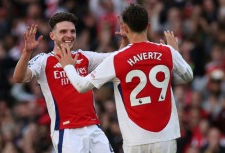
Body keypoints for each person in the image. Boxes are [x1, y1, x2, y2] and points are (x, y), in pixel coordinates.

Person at [55, 4, 193, 153]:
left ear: (125, 28)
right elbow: (188, 76)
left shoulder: (117, 58)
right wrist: (175, 52)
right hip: (166, 136)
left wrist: (68, 66)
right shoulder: (167, 51)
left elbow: (82, 86)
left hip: (136, 139)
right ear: (148, 26)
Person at [13, 12, 115, 153]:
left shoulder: (84, 56)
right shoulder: (44, 60)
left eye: (72, 31)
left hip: (93, 126)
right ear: (52, 36)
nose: (69, 35)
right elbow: (19, 78)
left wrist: (127, 44)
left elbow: (116, 59)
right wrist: (26, 52)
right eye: (63, 31)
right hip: (66, 131)